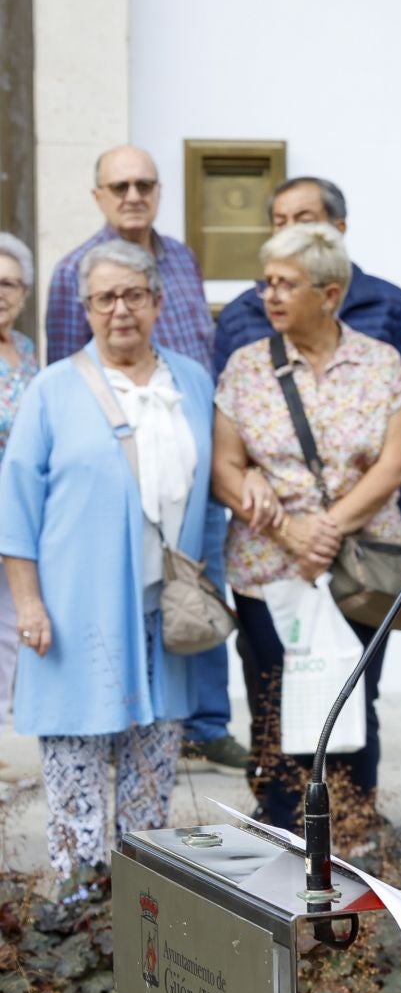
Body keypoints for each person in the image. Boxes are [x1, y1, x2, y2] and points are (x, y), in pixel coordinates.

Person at [0, 240, 223, 877]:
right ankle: (78, 916)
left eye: (133, 295)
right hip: (75, 615)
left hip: (165, 614)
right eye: (104, 298)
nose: (120, 310)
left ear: (157, 302)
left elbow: (213, 495)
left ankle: (136, 924)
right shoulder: (52, 389)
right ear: (86, 309)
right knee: (75, 787)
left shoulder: (192, 380)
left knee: (149, 796)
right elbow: (15, 507)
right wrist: (28, 604)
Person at [210, 223, 401, 830]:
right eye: (266, 283)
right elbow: (225, 467)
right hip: (267, 571)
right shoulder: (247, 368)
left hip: (359, 568)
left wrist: (321, 529)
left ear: (329, 295)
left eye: (286, 284)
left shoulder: (380, 362)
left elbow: (395, 464)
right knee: (275, 701)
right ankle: (280, 831)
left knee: (354, 697)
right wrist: (288, 534)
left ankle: (351, 833)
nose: (269, 296)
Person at [44, 145, 237, 770]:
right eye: (119, 185)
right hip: (124, 466)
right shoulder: (78, 269)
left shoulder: (179, 258)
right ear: (98, 195)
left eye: (144, 184)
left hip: (190, 455)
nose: (133, 195)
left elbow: (201, 353)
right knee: (128, 597)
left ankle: (204, 723)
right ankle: (124, 710)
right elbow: (68, 374)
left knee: (197, 587)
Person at [212, 176, 401, 535]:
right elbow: (224, 447)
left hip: (367, 541)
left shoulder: (389, 312)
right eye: (280, 222)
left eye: (304, 219)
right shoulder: (242, 323)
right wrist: (289, 527)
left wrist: (327, 526)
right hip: (270, 545)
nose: (290, 231)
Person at [0, 232, 41, 723]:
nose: (2, 293)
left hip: (21, 510)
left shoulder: (27, 350)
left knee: (13, 621)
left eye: (11, 284)